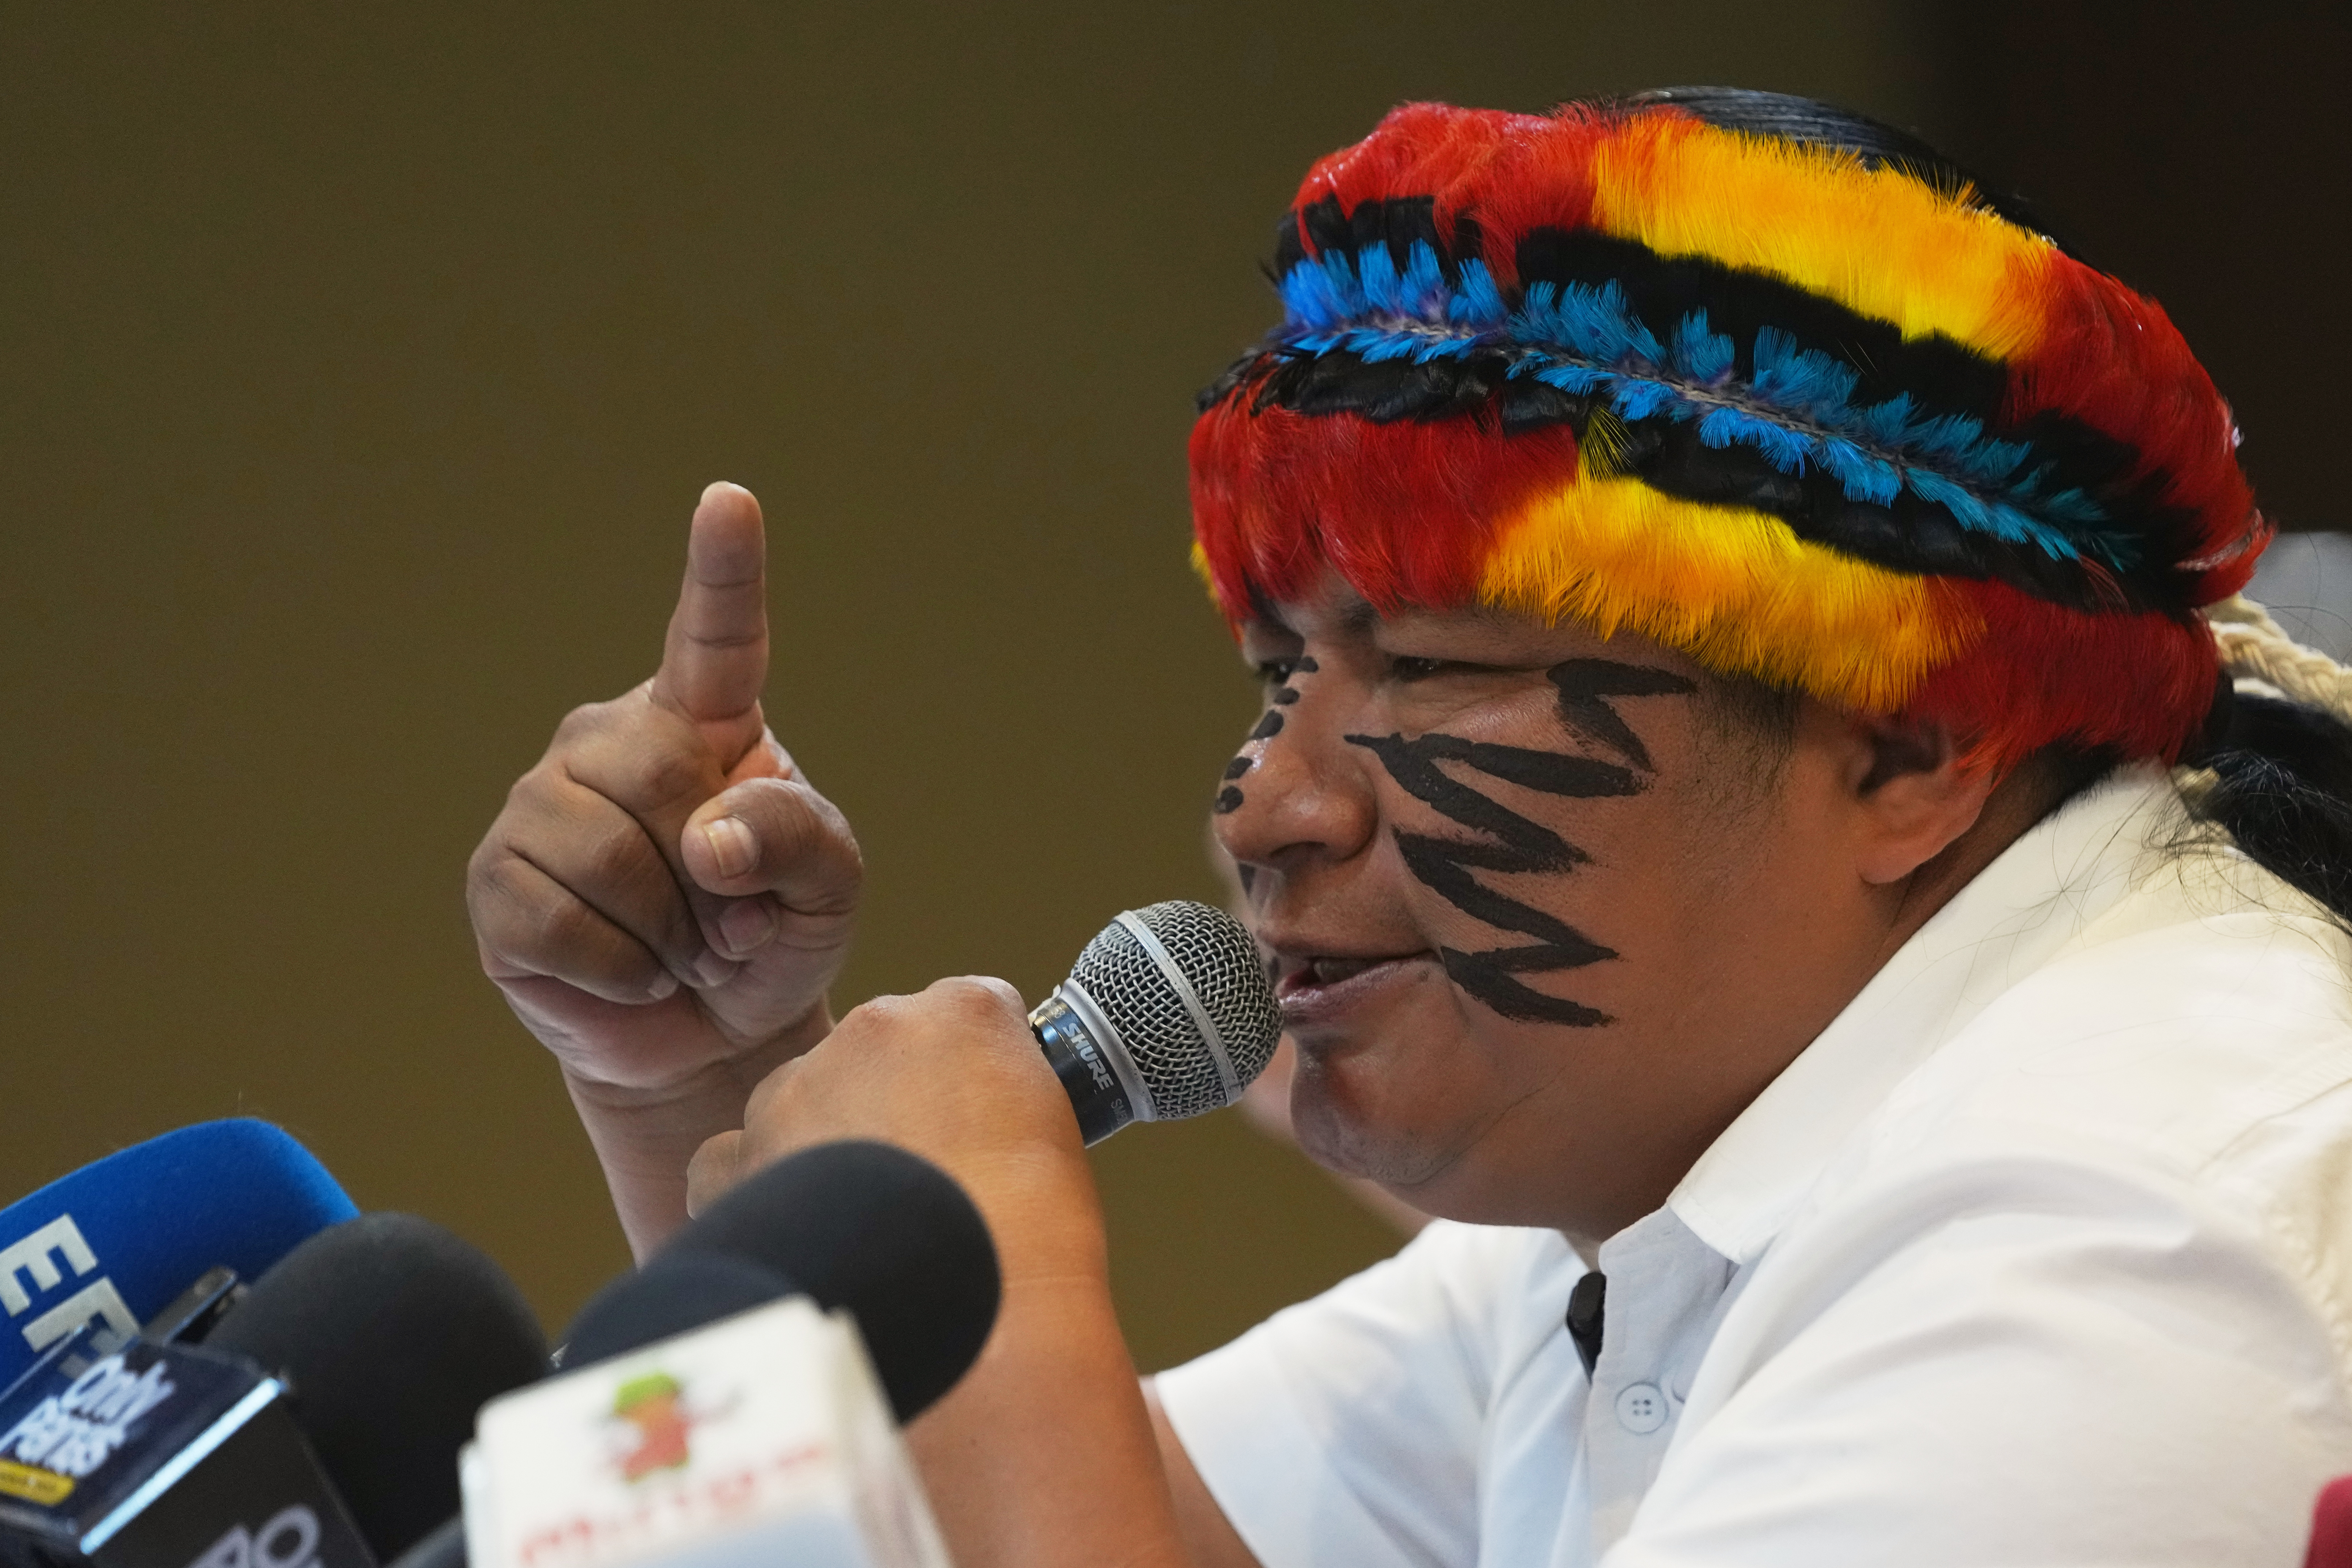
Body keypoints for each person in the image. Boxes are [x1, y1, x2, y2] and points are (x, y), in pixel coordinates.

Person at [465, 88, 2352, 1566]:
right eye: (1280, 674)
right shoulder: (1668, 1174)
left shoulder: (2121, 1255)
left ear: (1908, 745)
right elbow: (946, 1542)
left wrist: (986, 1274)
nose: (1262, 803)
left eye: (1433, 674)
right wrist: (705, 1091)